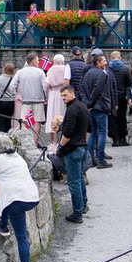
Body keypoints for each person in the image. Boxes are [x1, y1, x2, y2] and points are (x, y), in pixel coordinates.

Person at [0, 134, 41, 262]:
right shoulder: (18, 157)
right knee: (8, 201)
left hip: (17, 200)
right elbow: (8, 175)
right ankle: (3, 227)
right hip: (31, 197)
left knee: (21, 237)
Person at [56, 82, 90, 223]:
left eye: (65, 95)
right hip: (81, 147)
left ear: (72, 94)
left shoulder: (72, 109)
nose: (63, 98)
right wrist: (82, 140)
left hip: (73, 149)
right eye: (62, 96)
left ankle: (77, 213)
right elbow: (89, 129)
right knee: (80, 178)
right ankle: (83, 205)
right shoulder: (83, 107)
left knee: (74, 181)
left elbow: (67, 133)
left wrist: (60, 146)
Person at [81, 52, 114, 169]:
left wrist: (87, 104)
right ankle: (100, 159)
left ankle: (91, 159)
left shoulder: (88, 73)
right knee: (101, 133)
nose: (106, 62)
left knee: (94, 132)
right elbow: (97, 90)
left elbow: (82, 89)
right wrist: (90, 103)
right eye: (104, 61)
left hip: (92, 107)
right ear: (98, 62)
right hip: (100, 106)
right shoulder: (101, 74)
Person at [14, 55, 47, 132]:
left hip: (25, 100)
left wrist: (16, 96)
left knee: (25, 121)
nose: (39, 62)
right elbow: (45, 86)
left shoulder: (20, 72)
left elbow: (12, 85)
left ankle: (24, 141)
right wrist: (46, 97)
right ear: (33, 61)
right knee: (37, 122)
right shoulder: (40, 72)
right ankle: (35, 143)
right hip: (38, 100)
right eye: (37, 60)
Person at [108, 52, 132, 147]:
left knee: (112, 118)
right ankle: (123, 138)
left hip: (110, 97)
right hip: (121, 96)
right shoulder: (125, 69)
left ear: (111, 58)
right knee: (122, 117)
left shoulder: (108, 69)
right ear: (120, 58)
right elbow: (130, 82)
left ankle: (115, 139)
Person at [44, 55, 68, 130]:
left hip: (53, 93)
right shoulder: (65, 68)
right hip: (63, 92)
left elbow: (46, 85)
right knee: (62, 113)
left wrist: (46, 96)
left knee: (53, 114)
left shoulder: (50, 69)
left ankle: (53, 139)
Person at [0, 64, 17, 132]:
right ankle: (8, 135)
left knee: (0, 121)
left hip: (0, 102)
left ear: (4, 69)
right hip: (10, 103)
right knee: (8, 121)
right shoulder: (13, 80)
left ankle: (1, 136)